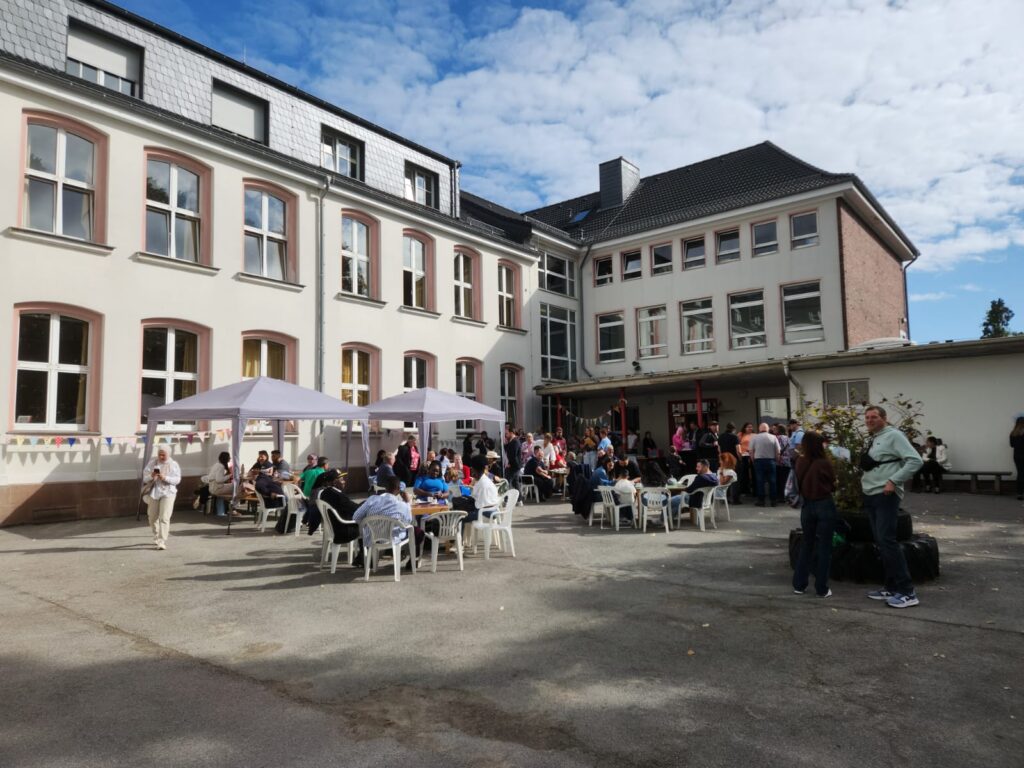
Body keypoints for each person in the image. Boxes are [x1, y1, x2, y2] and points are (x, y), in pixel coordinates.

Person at [861, 404, 924, 609]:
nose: (869, 420)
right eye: (867, 417)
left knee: (887, 541)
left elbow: (915, 461)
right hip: (871, 493)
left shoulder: (894, 435)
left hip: (885, 494)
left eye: (874, 417)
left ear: (884, 418)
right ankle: (891, 586)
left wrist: (894, 481)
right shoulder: (875, 438)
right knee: (881, 542)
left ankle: (907, 592)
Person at [792, 431, 838, 598]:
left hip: (807, 506)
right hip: (824, 504)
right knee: (825, 547)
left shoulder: (800, 461)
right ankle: (822, 587)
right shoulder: (823, 463)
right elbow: (833, 485)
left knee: (807, 545)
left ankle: (799, 584)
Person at [353, 474, 423, 562]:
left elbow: (356, 517)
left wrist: (367, 524)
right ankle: (412, 561)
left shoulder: (372, 499)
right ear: (398, 489)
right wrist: (408, 502)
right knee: (416, 531)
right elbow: (408, 521)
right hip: (392, 539)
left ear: (385, 488)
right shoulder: (402, 505)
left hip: (372, 538)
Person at [142, 447, 181, 550]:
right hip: (154, 492)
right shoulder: (153, 463)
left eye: (163, 455)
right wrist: (152, 476)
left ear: (169, 454)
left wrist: (165, 478)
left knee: (164, 517)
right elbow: (145, 477)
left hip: (168, 492)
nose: (161, 457)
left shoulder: (173, 464)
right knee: (152, 517)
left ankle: (161, 541)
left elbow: (177, 479)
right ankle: (156, 535)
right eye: (159, 454)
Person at [460, 456, 500, 532]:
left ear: (474, 469)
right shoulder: (486, 479)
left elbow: (477, 504)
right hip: (494, 511)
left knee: (460, 517)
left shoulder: (480, 483)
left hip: (485, 513)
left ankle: (457, 541)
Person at [749, 423, 781, 507]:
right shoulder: (773, 437)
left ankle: (761, 501)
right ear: (767, 429)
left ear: (759, 429)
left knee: (760, 481)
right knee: (772, 481)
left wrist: (753, 460)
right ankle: (773, 501)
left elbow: (751, 451)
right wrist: (776, 461)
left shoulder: (754, 437)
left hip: (759, 461)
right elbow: (778, 451)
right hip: (771, 461)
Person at [195, 451, 232, 516]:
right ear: (226, 458)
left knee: (231, 486)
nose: (230, 458)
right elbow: (219, 480)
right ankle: (233, 508)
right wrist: (229, 476)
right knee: (235, 487)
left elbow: (216, 477)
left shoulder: (217, 464)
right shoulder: (221, 467)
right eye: (229, 457)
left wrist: (226, 475)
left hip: (212, 488)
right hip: (216, 489)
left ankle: (221, 511)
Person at [718, 423, 741, 503]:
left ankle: (724, 498)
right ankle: (735, 499)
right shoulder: (735, 437)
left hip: (724, 459)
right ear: (734, 429)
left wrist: (721, 459)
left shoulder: (721, 436)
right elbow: (738, 450)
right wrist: (740, 459)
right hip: (732, 459)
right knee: (734, 479)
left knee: (724, 479)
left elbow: (719, 450)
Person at [504, 426, 522, 493]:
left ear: (511, 433)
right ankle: (519, 500)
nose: (506, 435)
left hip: (514, 465)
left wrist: (510, 464)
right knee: (515, 483)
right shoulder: (511, 441)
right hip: (513, 465)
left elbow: (513, 455)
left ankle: (506, 499)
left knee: (507, 481)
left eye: (507, 433)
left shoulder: (515, 441)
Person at [1012, 416, 1024, 501]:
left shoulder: (1013, 433)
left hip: (1017, 456)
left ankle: (1019, 493)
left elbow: (1012, 445)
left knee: (1020, 473)